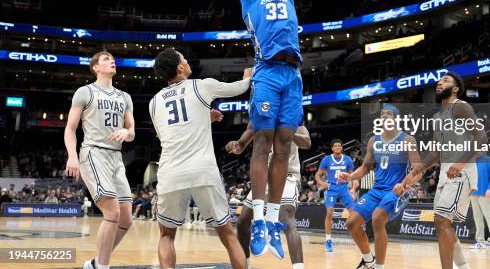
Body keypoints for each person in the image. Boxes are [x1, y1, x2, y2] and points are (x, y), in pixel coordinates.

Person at [239, 0, 303, 259]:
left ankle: (273, 220)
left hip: (293, 76)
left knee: (285, 144)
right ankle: (259, 216)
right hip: (266, 73)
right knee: (262, 143)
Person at [150, 48, 251, 269]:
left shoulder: (154, 102)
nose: (187, 61)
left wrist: (204, 117)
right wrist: (247, 77)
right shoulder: (200, 85)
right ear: (180, 67)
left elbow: (170, 131)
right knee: (227, 234)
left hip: (170, 172)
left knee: (166, 236)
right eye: (184, 59)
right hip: (202, 171)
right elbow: (239, 88)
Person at [400, 72, 486, 269]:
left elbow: (481, 138)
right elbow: (435, 154)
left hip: (462, 170)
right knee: (441, 224)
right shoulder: (438, 117)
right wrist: (415, 172)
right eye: (439, 80)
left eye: (446, 80)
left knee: (441, 220)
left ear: (456, 89)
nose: (440, 83)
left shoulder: (461, 107)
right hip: (446, 172)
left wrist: (461, 162)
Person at [64, 52, 135, 269]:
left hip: (116, 156)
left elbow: (132, 132)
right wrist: (72, 157)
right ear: (95, 67)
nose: (111, 61)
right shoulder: (85, 92)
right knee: (112, 212)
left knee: (126, 219)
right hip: (94, 152)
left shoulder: (125, 97)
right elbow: (70, 128)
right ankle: (102, 267)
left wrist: (126, 132)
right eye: (105, 59)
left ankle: (96, 262)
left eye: (112, 59)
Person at [339, 104, 420, 269]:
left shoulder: (407, 140)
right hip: (376, 190)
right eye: (382, 114)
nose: (384, 117)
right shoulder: (373, 140)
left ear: (396, 119)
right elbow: (365, 167)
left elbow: (418, 171)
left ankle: (379, 267)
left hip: (397, 191)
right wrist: (350, 176)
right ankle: (368, 261)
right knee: (351, 223)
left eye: (388, 114)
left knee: (377, 218)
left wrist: (404, 184)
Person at [227, 122, 311, 269]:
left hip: (287, 176)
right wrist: (236, 145)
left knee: (287, 219)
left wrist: (289, 133)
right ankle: (246, 265)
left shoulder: (292, 118)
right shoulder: (258, 118)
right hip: (262, 178)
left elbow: (307, 143)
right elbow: (241, 146)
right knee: (242, 222)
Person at [315, 139, 358, 252]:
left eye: (340, 146)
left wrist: (353, 189)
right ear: (332, 148)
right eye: (336, 146)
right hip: (332, 189)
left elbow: (353, 176)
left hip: (344, 188)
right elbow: (317, 175)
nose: (338, 147)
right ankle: (328, 240)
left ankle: (357, 236)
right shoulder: (327, 159)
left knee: (354, 212)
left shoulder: (347, 159)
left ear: (342, 148)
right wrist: (322, 183)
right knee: (329, 212)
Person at [470, 155, 490, 251]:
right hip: (473, 193)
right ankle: (480, 241)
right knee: (477, 218)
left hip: (485, 193)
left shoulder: (487, 159)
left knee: (489, 217)